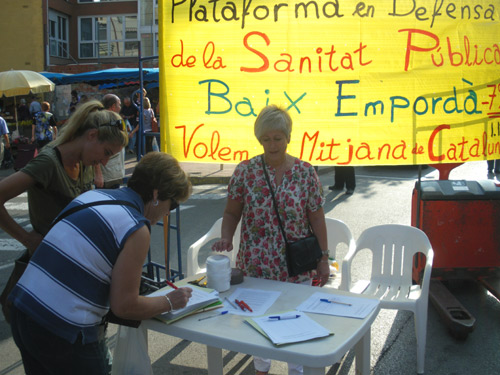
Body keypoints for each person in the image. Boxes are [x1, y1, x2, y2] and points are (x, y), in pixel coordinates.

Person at [8, 152, 193, 375]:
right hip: (63, 329)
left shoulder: (92, 196)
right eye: (171, 206)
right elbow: (125, 306)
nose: (166, 214)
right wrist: (169, 301)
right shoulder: (136, 227)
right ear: (156, 194)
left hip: (23, 309)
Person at [212, 104, 329, 375]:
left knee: (294, 320)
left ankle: (296, 369)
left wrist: (324, 258)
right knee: (258, 321)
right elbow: (231, 212)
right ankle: (261, 368)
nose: (272, 144)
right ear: (259, 139)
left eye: (277, 138)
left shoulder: (305, 172)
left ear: (288, 137)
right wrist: (226, 238)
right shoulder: (245, 171)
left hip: (295, 265)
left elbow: (317, 218)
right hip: (255, 263)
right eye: (266, 139)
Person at [0, 100, 128, 255]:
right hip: (49, 264)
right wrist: (27, 239)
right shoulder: (48, 163)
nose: (105, 162)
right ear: (92, 135)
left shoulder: (84, 162)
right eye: (106, 153)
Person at [94, 94, 126, 189]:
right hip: (106, 177)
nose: (120, 107)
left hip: (114, 174)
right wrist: (98, 174)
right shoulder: (103, 121)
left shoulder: (114, 119)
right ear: (113, 106)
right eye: (119, 105)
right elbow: (96, 149)